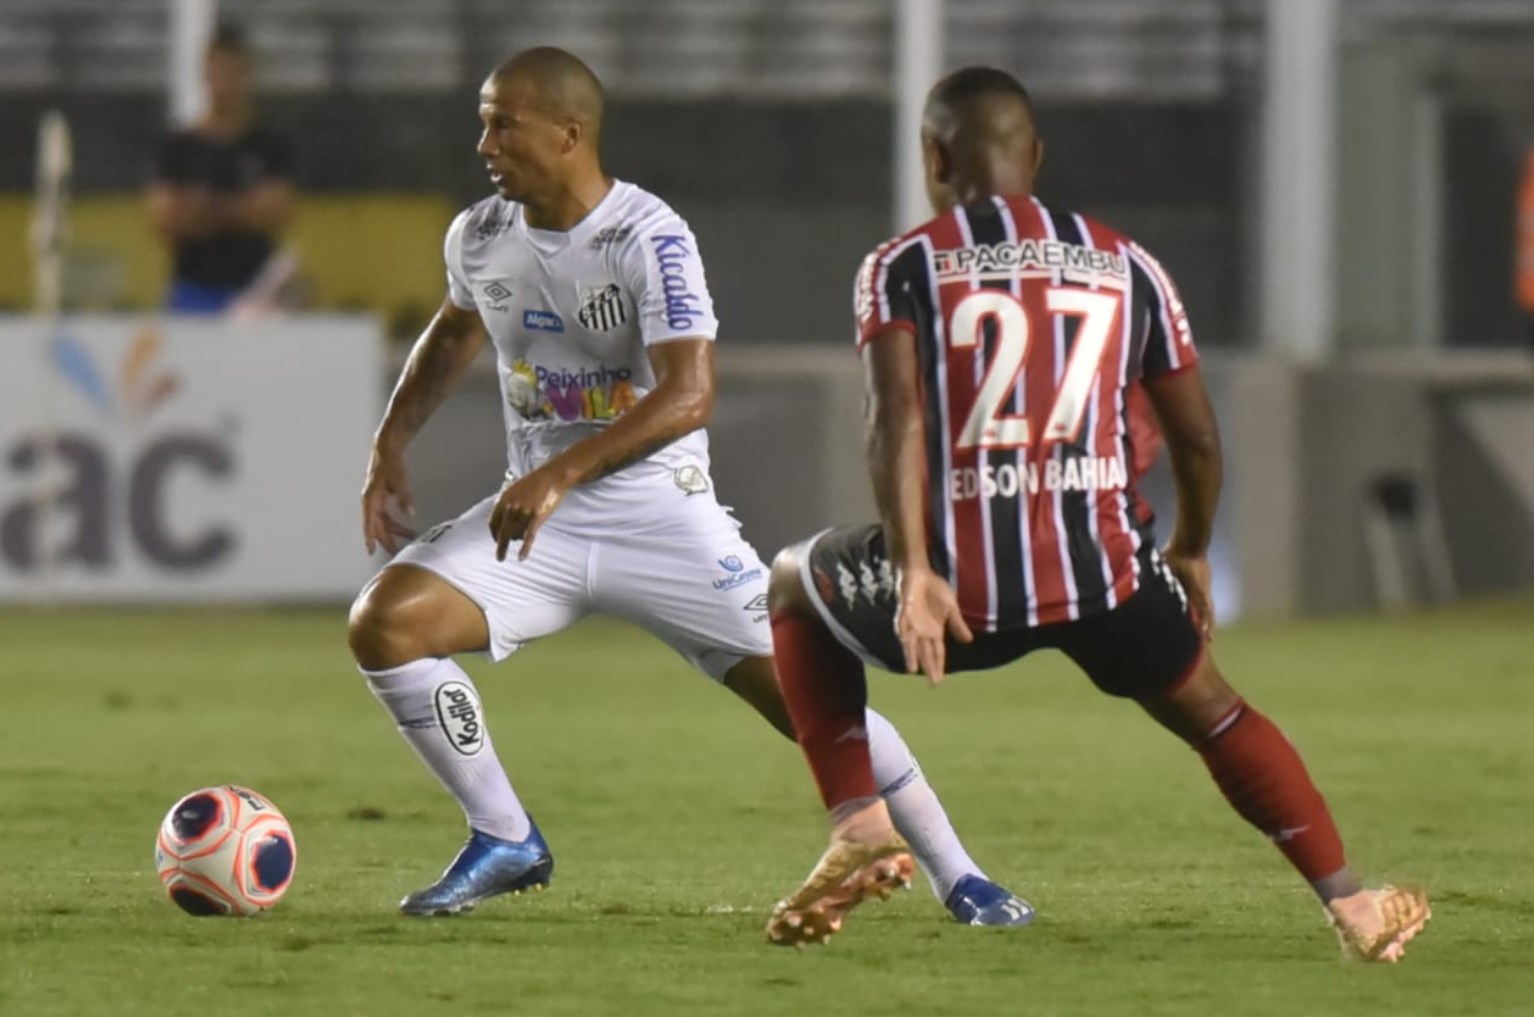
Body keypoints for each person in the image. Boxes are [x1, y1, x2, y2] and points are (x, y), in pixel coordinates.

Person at [346, 47, 1030, 925]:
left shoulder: (649, 237)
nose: (484, 139)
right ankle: (504, 836)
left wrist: (560, 471)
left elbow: (690, 392)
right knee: (386, 622)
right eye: (484, 119)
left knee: (808, 700)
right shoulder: (479, 233)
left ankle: (961, 875)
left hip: (662, 519)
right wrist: (389, 442)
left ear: (568, 132)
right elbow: (453, 330)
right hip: (541, 526)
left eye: (501, 121)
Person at [761, 66, 1430, 962]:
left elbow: (897, 420)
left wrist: (916, 567)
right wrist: (1189, 548)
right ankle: (1352, 906)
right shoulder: (1128, 262)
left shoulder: (902, 265)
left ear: (934, 157)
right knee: (1219, 713)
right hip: (1107, 576)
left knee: (790, 582)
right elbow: (1195, 435)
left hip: (966, 594)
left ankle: (859, 820)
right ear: (1033, 156)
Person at [148, 23, 296, 314]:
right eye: (218, 71)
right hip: (193, 291)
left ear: (245, 74)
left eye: (232, 72)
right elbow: (164, 216)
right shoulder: (180, 147)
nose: (224, 82)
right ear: (205, 74)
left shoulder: (267, 146)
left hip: (255, 292)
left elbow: (276, 210)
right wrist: (242, 209)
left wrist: (205, 209)